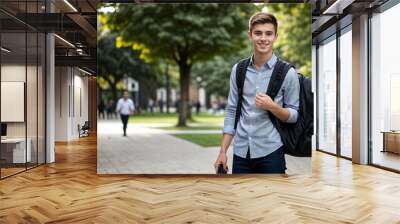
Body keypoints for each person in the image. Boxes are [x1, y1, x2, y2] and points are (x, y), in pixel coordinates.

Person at [214, 12, 300, 174]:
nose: (263, 38)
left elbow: (294, 115)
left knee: (271, 199)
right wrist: (223, 151)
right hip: (241, 153)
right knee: (241, 199)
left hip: (271, 152)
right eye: (258, 33)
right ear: (250, 35)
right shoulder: (238, 70)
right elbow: (232, 111)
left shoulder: (288, 73)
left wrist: (272, 106)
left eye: (269, 33)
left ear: (275, 36)